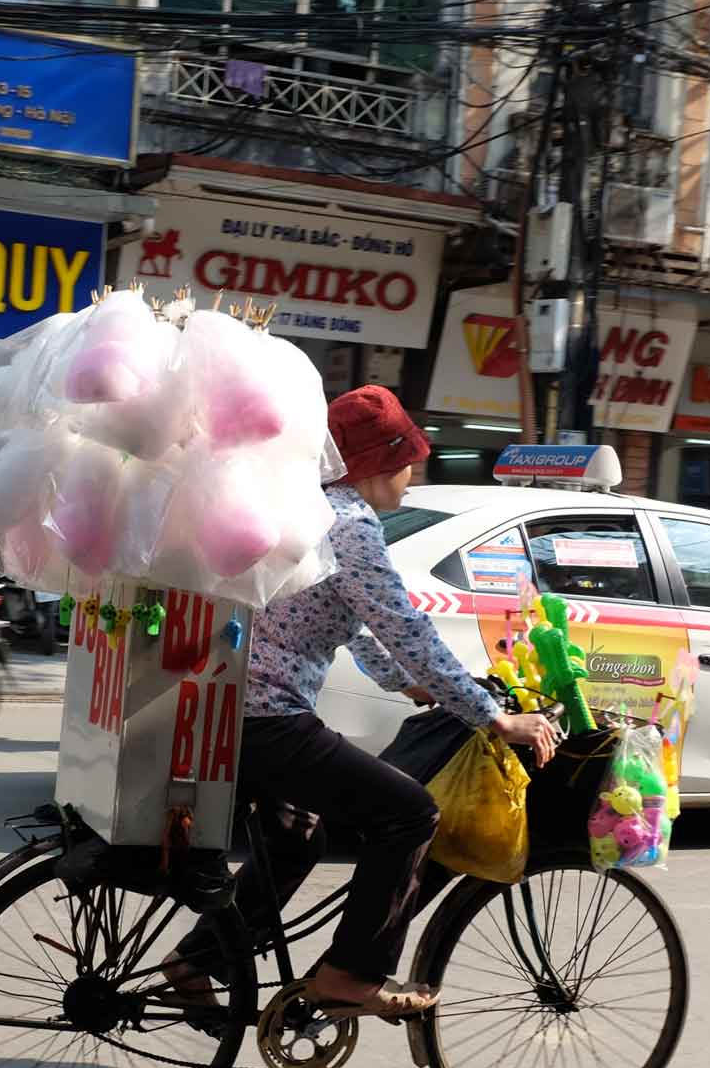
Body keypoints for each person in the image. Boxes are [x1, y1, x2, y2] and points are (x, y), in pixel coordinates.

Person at [165, 386, 558, 1021]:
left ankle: (198, 961)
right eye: (411, 462)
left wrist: (410, 685)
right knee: (408, 814)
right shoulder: (350, 528)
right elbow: (408, 628)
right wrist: (493, 717)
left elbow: (354, 623)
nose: (413, 477)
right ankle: (351, 975)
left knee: (298, 841)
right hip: (267, 718)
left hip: (230, 709)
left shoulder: (310, 512)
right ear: (381, 462)